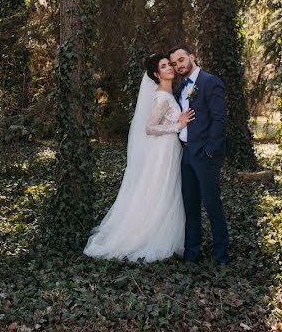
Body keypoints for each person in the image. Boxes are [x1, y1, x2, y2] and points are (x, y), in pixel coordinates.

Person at [83, 53, 195, 261]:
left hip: (169, 148)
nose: (170, 68)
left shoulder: (168, 93)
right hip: (163, 149)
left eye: (169, 64)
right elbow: (150, 127)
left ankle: (162, 232)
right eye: (164, 66)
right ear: (156, 73)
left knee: (166, 191)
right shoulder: (161, 96)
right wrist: (177, 125)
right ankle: (149, 235)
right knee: (160, 190)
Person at [169, 45, 230, 265]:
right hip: (186, 155)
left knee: (212, 205)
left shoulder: (210, 82)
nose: (178, 65)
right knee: (190, 204)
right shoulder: (180, 88)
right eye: (175, 63)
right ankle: (192, 254)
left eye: (181, 60)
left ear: (192, 57)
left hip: (205, 156)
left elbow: (219, 119)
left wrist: (211, 151)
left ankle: (222, 255)